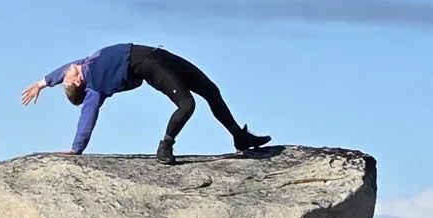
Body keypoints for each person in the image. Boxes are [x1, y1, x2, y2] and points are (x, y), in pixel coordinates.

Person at [21, 43, 269, 161]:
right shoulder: (94, 86)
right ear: (77, 83)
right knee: (187, 104)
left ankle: (239, 136)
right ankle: (165, 147)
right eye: (68, 76)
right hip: (149, 66)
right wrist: (77, 149)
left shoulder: (84, 65)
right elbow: (87, 118)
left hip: (161, 55)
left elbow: (62, 71)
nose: (68, 70)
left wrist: (42, 83)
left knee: (211, 91)